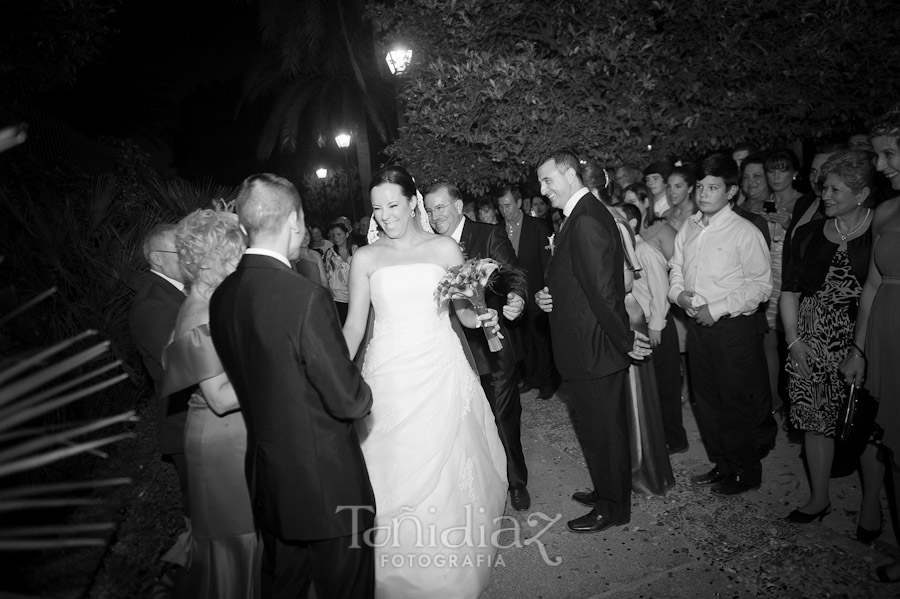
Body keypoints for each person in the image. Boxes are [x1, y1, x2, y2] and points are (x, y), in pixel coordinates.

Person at [343, 166, 508, 598]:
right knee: (390, 466)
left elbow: (466, 313)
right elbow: (355, 327)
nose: (385, 215)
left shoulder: (445, 250)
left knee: (447, 467)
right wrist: (327, 370)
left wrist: (484, 315)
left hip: (439, 367)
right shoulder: (365, 257)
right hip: (388, 374)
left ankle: (448, 568)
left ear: (412, 200)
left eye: (393, 205)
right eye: (377, 208)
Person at [209, 173, 375, 599]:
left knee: (283, 586)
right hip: (329, 486)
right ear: (296, 220)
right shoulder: (305, 297)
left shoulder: (221, 296)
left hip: (270, 480)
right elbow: (349, 400)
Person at [534, 149, 651, 533]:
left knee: (605, 433)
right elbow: (579, 281)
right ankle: (607, 491)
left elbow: (604, 290)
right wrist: (548, 295)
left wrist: (624, 338)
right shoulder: (581, 215)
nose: (542, 189)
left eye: (548, 180)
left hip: (594, 347)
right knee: (598, 430)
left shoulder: (585, 219)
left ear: (569, 176)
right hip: (586, 344)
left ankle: (613, 507)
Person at [161, 208, 261, 598]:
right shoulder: (201, 313)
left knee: (240, 533)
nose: (240, 263)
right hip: (222, 440)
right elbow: (220, 397)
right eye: (236, 255)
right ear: (214, 260)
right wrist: (274, 376)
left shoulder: (199, 301)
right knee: (235, 538)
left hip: (221, 435)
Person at [781, 150, 881, 532]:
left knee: (867, 426)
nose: (825, 194)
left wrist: (863, 349)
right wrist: (793, 341)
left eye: (836, 188)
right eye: (824, 186)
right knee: (813, 420)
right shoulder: (807, 233)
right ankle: (819, 497)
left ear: (862, 194)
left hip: (864, 340)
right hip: (811, 340)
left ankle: (872, 503)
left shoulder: (880, 232)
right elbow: (789, 291)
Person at [424, 181, 532, 510]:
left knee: (502, 416)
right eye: (429, 210)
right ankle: (483, 481)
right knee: (464, 421)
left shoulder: (486, 234)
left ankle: (516, 481)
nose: (434, 215)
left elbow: (514, 273)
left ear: (458, 206)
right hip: (449, 349)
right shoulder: (428, 246)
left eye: (440, 207)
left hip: (490, 346)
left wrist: (517, 297)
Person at [669, 153, 772, 497]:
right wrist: (678, 295)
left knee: (735, 400)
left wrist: (718, 308)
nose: (703, 193)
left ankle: (746, 471)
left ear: (730, 192)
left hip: (731, 328)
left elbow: (760, 286)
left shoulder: (744, 231)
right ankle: (723, 464)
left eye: (712, 187)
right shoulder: (690, 226)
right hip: (698, 325)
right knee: (707, 400)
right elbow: (677, 267)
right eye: (700, 187)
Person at [841, 113, 900, 583]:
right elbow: (873, 287)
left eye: (889, 154)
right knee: (893, 448)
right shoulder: (886, 212)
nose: (879, 166)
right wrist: (858, 350)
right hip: (885, 342)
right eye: (878, 153)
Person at [129, 224, 191, 513]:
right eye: (180, 251)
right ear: (157, 258)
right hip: (188, 425)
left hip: (204, 419)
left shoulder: (181, 291)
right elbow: (182, 365)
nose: (189, 257)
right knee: (205, 513)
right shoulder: (151, 304)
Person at [618, 202, 687, 455]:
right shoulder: (624, 251)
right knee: (649, 386)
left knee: (666, 384)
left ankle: (675, 438)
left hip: (657, 325)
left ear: (632, 223)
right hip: (639, 326)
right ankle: (654, 435)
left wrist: (656, 326)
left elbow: (661, 291)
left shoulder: (646, 252)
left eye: (618, 218)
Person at [495, 184, 557, 400]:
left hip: (537, 292)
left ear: (519, 203)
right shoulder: (498, 229)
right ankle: (531, 379)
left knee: (542, 341)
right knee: (523, 341)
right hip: (513, 296)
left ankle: (549, 383)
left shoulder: (538, 226)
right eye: (501, 206)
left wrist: (546, 289)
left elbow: (549, 262)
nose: (505, 210)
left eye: (508, 205)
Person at [622, 182, 677, 261]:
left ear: (646, 202)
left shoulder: (663, 230)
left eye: (632, 202)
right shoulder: (627, 229)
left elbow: (676, 264)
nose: (627, 208)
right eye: (625, 204)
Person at [323, 221, 357, 323]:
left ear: (346, 235)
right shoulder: (329, 253)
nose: (336, 237)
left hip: (355, 295)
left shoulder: (356, 251)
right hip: (337, 297)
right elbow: (326, 276)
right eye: (334, 235)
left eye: (339, 234)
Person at [663, 166, 697, 231]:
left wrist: (681, 232)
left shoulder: (697, 217)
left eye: (678, 187)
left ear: (690, 188)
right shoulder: (666, 215)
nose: (671, 192)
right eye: (669, 186)